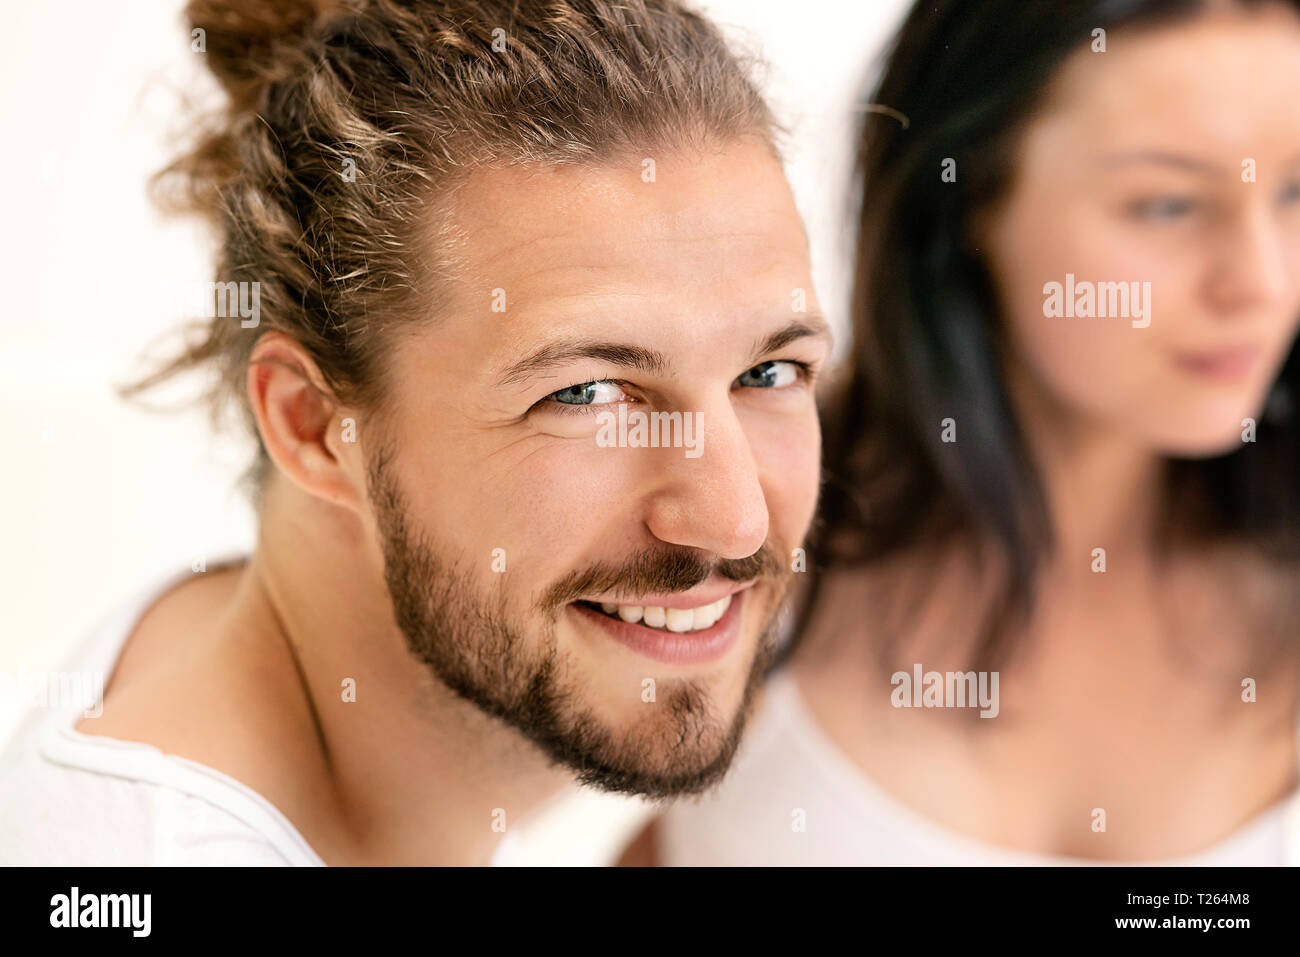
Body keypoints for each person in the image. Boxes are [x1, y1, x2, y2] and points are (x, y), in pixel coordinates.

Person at [0, 0, 832, 865]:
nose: (736, 519)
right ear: (315, 426)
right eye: (586, 392)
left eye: (768, 373)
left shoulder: (242, 642)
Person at [637, 0, 1300, 865]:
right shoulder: (733, 530)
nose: (1261, 281)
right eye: (1169, 205)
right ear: (965, 204)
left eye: (1295, 190)